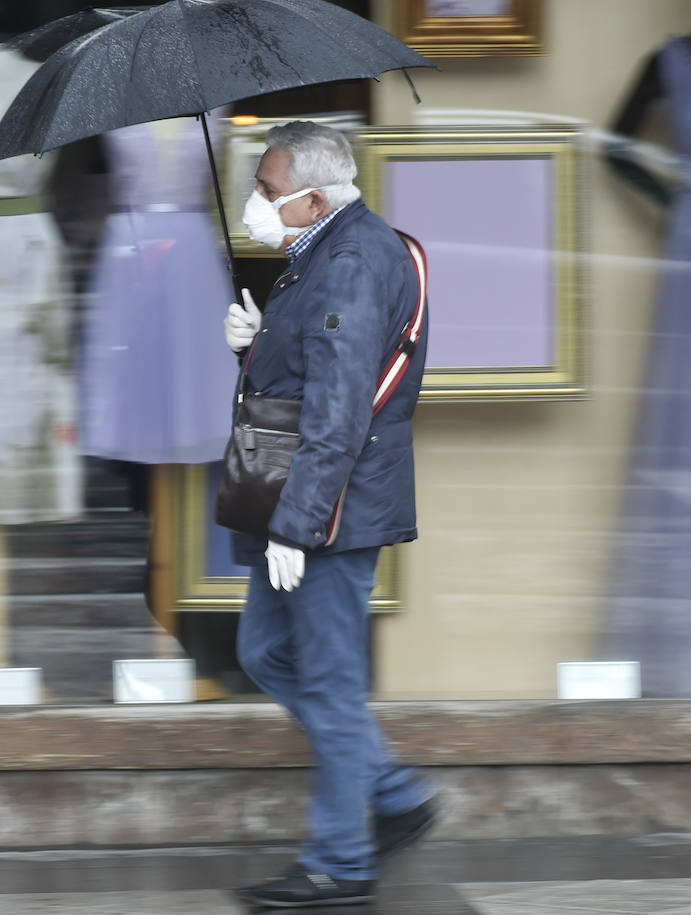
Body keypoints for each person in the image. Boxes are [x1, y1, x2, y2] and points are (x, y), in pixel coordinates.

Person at [222, 120, 436, 909]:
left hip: (328, 513)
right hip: (316, 504)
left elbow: (339, 413)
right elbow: (312, 367)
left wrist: (296, 525)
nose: (256, 201)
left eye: (268, 190)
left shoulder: (346, 262)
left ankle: (339, 861)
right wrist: (253, 344)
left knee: (331, 681)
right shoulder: (327, 248)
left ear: (313, 199)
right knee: (265, 651)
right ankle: (393, 791)